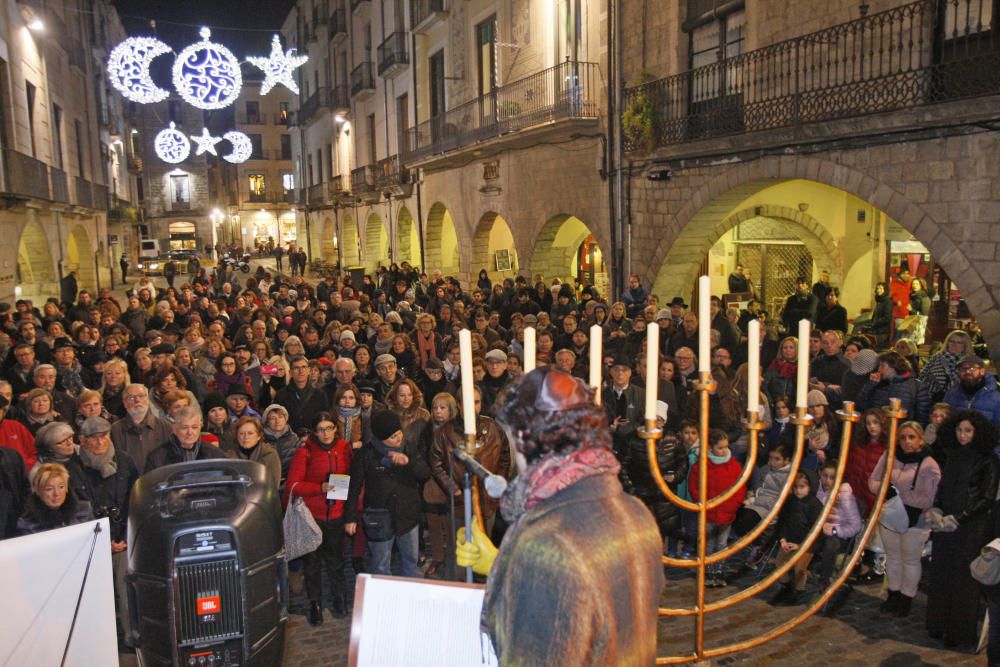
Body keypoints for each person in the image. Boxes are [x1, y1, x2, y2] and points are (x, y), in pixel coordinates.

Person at [455, 367, 664, 664]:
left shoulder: (546, 540)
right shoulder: (636, 513)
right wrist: (502, 566)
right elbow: (589, 601)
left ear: (527, 438)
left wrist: (522, 560)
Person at [926, 409, 999, 649]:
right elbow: (943, 487)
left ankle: (959, 632)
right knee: (941, 574)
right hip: (945, 524)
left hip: (970, 529)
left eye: (968, 430)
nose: (962, 435)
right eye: (959, 430)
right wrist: (936, 510)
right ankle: (938, 624)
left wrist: (959, 518)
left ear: (977, 432)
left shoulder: (989, 460)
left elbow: (986, 497)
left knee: (964, 581)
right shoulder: (951, 455)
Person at [284, 411, 353, 625]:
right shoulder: (305, 452)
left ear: (335, 428)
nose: (325, 434)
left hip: (337, 514)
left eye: (329, 428)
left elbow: (352, 475)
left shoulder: (344, 448)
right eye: (321, 429)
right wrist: (319, 488)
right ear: (315, 431)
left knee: (336, 561)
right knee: (312, 563)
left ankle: (339, 597)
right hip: (312, 517)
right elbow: (293, 486)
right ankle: (314, 602)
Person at [345, 409, 429, 579]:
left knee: (410, 559)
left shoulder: (409, 447)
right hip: (379, 517)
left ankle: (409, 598)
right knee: (380, 563)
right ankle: (385, 601)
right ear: (380, 438)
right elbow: (353, 488)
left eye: (399, 434)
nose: (398, 439)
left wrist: (409, 463)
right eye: (392, 437)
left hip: (408, 515)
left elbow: (425, 473)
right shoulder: (366, 454)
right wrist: (350, 517)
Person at [868, 421, 940, 618]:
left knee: (910, 559)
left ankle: (906, 597)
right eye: (903, 437)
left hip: (914, 518)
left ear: (920, 439)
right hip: (890, 515)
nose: (907, 442)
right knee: (892, 556)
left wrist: (900, 496)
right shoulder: (889, 456)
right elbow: (873, 480)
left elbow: (930, 497)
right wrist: (884, 490)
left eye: (912, 437)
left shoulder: (929, 464)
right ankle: (893, 593)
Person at [689, 429, 747, 587]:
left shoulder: (734, 464)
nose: (724, 451)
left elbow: (740, 486)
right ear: (710, 447)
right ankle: (708, 572)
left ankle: (719, 571)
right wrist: (702, 502)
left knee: (722, 544)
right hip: (708, 512)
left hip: (727, 512)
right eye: (720, 447)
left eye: (726, 447)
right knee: (708, 544)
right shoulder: (701, 466)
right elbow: (694, 486)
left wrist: (735, 503)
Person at [769, 470, 823, 605]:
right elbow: (782, 522)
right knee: (780, 564)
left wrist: (801, 546)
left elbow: (816, 531)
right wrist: (782, 539)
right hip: (789, 541)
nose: (798, 491)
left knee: (799, 569)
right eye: (795, 487)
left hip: (807, 544)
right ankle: (786, 587)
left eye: (802, 487)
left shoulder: (815, 505)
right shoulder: (789, 502)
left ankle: (798, 590)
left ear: (811, 487)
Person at [144, 406, 227, 473]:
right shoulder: (157, 458)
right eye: (184, 427)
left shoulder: (215, 454)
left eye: (194, 427)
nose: (190, 432)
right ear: (175, 429)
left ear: (200, 427)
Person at [17, 462, 92, 534]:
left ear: (67, 488)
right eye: (49, 489)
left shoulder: (84, 510)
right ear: (38, 491)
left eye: (61, 487)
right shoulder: (27, 524)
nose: (56, 493)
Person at [227, 416, 281, 489]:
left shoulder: (270, 454)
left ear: (258, 436)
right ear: (237, 436)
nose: (246, 437)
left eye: (250, 433)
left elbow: (274, 485)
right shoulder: (229, 456)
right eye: (241, 433)